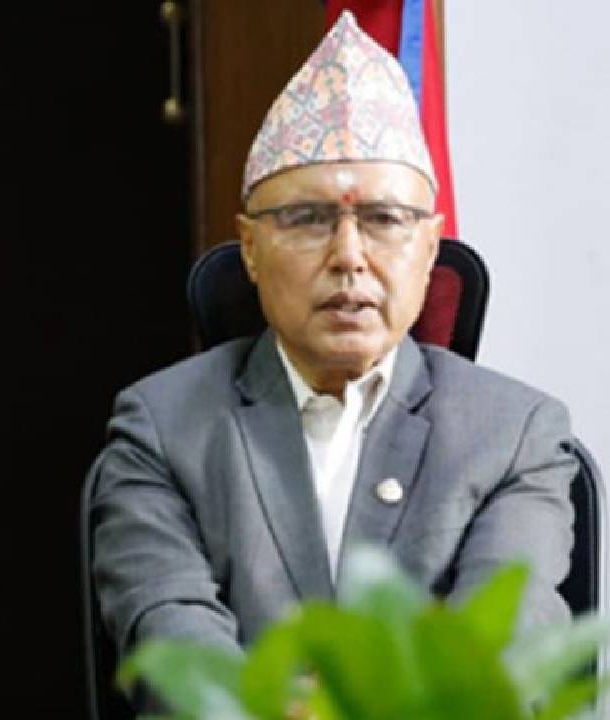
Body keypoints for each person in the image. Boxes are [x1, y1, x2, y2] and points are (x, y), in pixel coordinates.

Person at [88, 10, 578, 705]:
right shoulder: (163, 429)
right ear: (249, 249)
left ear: (430, 250)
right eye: (308, 219)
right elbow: (179, 661)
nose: (349, 256)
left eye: (384, 220)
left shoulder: (513, 434)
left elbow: (494, 663)